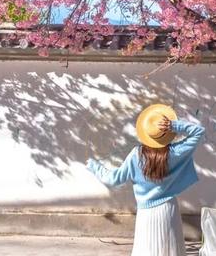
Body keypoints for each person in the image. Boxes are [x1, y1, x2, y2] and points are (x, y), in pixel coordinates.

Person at [86, 103, 205, 256]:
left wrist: (94, 166)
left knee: (147, 248)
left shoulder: (136, 155)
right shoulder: (176, 152)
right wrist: (173, 125)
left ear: (146, 134)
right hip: (169, 208)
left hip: (146, 212)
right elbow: (198, 131)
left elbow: (113, 179)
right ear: (166, 134)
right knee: (170, 248)